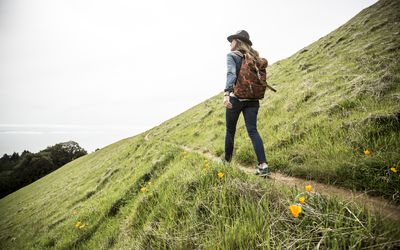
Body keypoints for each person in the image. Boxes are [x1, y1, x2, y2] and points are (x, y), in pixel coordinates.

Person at [223, 30, 270, 176]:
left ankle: (227, 162)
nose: (230, 43)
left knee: (230, 130)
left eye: (232, 41)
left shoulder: (232, 55)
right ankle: (263, 165)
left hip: (236, 98)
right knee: (253, 131)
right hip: (253, 100)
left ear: (237, 41)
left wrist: (226, 94)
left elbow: (231, 73)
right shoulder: (254, 57)